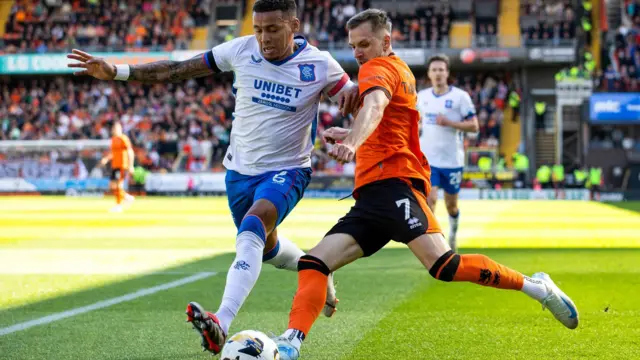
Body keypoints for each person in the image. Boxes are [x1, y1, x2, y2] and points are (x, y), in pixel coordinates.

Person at [272, 9, 579, 360]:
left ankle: (537, 287)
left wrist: (352, 143)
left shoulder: (377, 69)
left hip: (395, 186)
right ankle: (291, 343)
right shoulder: (398, 69)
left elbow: (374, 107)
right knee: (314, 262)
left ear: (385, 41)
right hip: (372, 198)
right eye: (353, 46)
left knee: (444, 266)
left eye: (364, 43)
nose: (357, 52)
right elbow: (389, 123)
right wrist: (351, 132)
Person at [67, 0, 360, 354]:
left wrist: (349, 122)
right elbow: (177, 70)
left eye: (272, 29)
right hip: (239, 172)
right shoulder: (240, 50)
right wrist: (117, 72)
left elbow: (353, 99)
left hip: (288, 169)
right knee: (266, 249)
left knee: (253, 226)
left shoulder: (319, 64)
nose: (263, 38)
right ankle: (318, 268)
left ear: (293, 25)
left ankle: (221, 320)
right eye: (258, 29)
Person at [417, 54, 479, 252]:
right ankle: (435, 244)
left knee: (451, 205)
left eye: (441, 70)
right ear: (429, 73)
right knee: (430, 200)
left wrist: (450, 123)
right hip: (428, 159)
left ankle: (452, 231)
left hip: (452, 160)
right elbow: (415, 122)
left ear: (447, 73)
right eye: (434, 70)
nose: (438, 73)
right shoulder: (422, 97)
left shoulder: (460, 97)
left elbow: (474, 126)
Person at [98, 121, 135, 212]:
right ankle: (127, 197)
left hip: (122, 164)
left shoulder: (124, 139)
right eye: (113, 128)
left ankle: (119, 205)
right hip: (115, 164)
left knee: (118, 184)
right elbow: (112, 153)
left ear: (120, 129)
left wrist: (131, 165)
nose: (114, 130)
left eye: (116, 128)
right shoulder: (114, 139)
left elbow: (130, 152)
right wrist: (106, 159)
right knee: (112, 185)